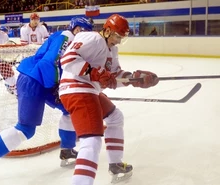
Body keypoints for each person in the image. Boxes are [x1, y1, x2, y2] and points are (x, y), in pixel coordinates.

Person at [0, 17, 93, 182]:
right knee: (25, 129)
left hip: (42, 81)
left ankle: (67, 149)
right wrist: (56, 86)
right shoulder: (67, 37)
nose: (86, 35)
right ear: (76, 28)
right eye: (84, 31)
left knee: (69, 109)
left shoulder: (69, 39)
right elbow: (49, 63)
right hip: (33, 80)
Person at [59, 14, 159, 185]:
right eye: (117, 36)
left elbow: (114, 76)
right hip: (77, 89)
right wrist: (94, 73)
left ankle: (115, 164)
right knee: (91, 140)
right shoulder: (92, 38)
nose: (119, 41)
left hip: (89, 91)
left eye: (122, 38)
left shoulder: (112, 50)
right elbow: (67, 59)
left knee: (115, 117)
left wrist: (134, 79)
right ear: (106, 31)